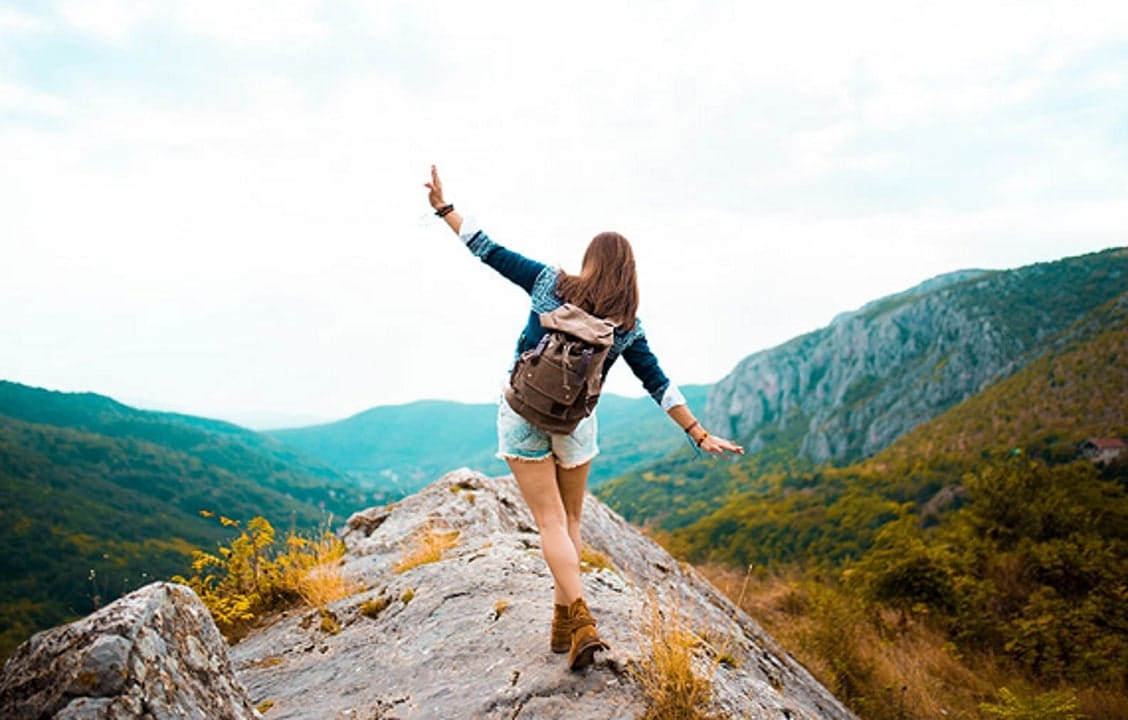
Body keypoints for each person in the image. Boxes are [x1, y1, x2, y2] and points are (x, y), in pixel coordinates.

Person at [424, 165, 744, 670]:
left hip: (522, 412)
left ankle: (580, 621)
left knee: (548, 523)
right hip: (576, 426)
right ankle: (564, 625)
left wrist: (445, 209)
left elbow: (487, 248)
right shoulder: (627, 327)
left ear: (590, 261)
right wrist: (698, 432)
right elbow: (658, 384)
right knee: (570, 521)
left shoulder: (550, 283)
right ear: (629, 271)